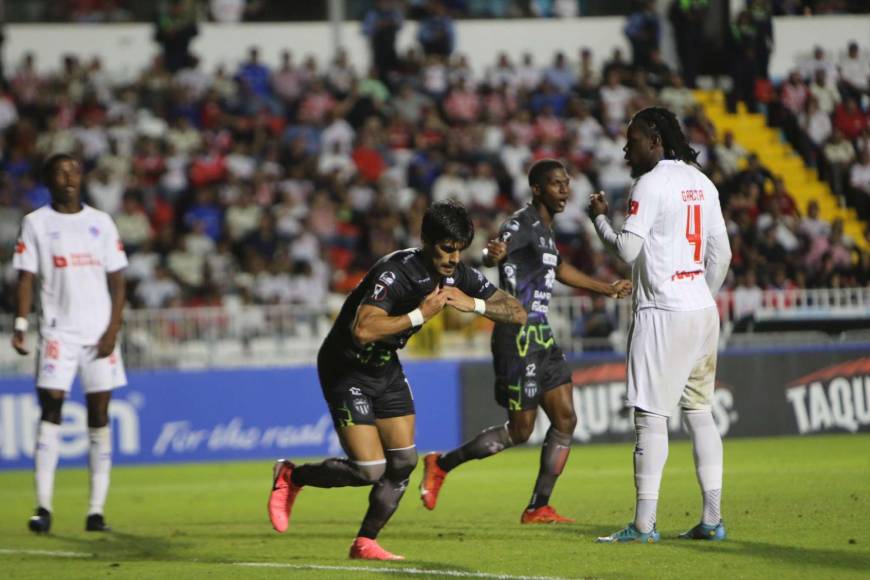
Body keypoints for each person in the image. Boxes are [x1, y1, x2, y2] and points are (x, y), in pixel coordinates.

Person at [267, 200, 527, 560]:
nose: (453, 258)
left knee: (404, 462)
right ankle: (291, 477)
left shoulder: (459, 276)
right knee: (369, 468)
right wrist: (422, 313)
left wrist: (476, 305)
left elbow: (518, 312)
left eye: (459, 250)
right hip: (346, 367)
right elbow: (362, 329)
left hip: (384, 367)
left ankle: (365, 542)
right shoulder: (396, 272)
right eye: (446, 248)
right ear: (426, 240)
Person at [418, 159, 631, 523]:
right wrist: (490, 256)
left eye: (566, 183)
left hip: (541, 333)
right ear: (537, 189)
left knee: (565, 420)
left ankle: (537, 506)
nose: (564, 190)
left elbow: (558, 268)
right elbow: (491, 251)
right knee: (520, 430)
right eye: (556, 184)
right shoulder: (521, 223)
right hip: (515, 334)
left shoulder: (546, 233)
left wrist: (606, 288)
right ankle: (441, 464)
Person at [588, 107, 732, 543]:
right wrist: (698, 293)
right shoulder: (702, 183)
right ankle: (712, 519)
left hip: (663, 314)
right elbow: (721, 255)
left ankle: (644, 525)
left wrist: (600, 220)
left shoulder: (648, 185)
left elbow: (628, 250)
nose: (625, 149)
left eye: (631, 140)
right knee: (700, 414)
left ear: (654, 141)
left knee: (650, 419)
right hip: (702, 311)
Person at [12, 153, 128, 534]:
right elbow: (26, 278)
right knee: (51, 411)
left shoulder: (100, 222)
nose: (69, 177)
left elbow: (118, 280)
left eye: (75, 171)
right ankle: (43, 508)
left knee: (99, 416)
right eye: (61, 172)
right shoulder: (36, 224)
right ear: (48, 180)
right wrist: (21, 323)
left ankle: (96, 512)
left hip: (98, 334)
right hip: (58, 333)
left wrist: (113, 329)